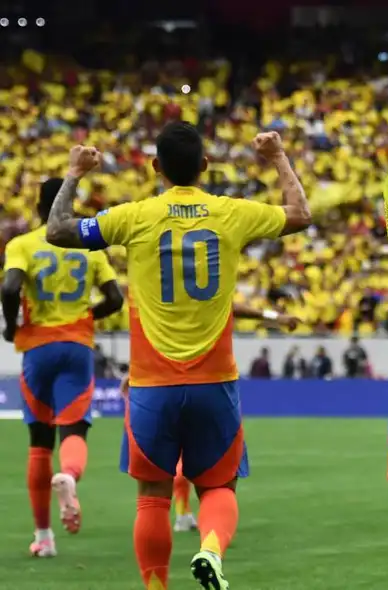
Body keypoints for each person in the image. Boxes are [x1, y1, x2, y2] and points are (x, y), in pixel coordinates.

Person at [44, 122, 311, 590]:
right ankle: (210, 549)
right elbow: (299, 213)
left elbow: (59, 229)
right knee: (218, 488)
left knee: (152, 498)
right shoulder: (231, 212)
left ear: (155, 167)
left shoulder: (134, 215)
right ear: (205, 166)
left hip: (151, 386)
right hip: (215, 382)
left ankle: (156, 587)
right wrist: (277, 157)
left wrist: (74, 172)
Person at [0, 177, 124, 557]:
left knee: (39, 442)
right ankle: (68, 476)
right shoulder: (90, 246)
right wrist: (88, 316)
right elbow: (115, 298)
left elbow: (9, 288)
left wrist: (11, 327)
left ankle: (44, 537)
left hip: (38, 348)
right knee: (74, 428)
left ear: (40, 208)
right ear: (68, 209)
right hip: (76, 346)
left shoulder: (22, 244)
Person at [117, 303, 299, 535]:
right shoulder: (207, 286)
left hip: (157, 386)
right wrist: (274, 315)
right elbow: (227, 305)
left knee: (154, 488)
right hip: (209, 386)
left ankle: (180, 520)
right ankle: (211, 548)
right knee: (218, 482)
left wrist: (135, 372)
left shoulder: (155, 288)